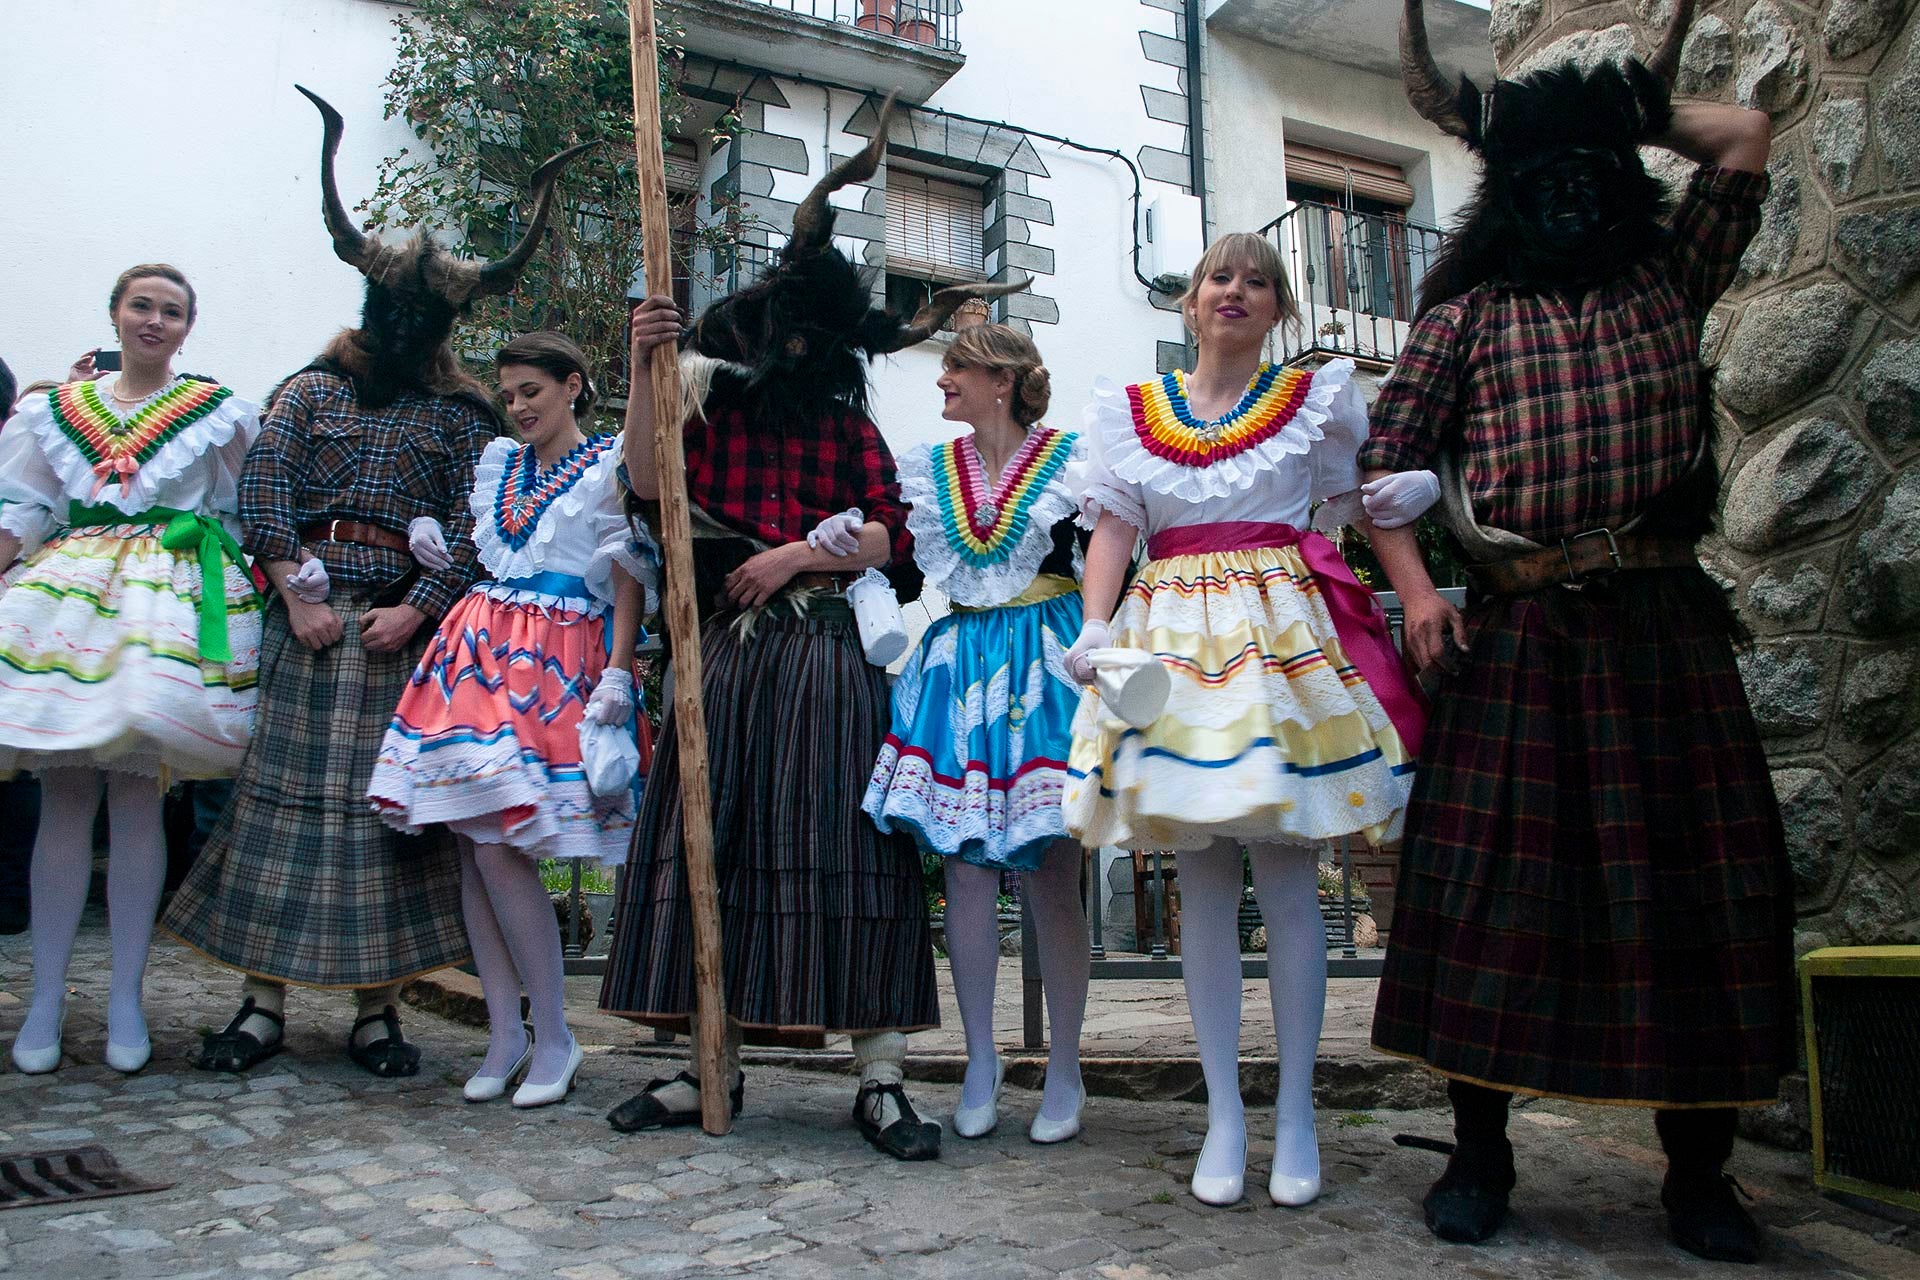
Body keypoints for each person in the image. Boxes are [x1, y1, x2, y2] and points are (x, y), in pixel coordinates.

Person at [1367, 3, 1790, 1265]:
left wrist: (1623, 111)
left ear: (1619, 183)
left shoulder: (1674, 276)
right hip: (1520, 629)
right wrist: (1422, 592)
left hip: (1663, 624)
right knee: (1495, 895)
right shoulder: (1464, 319)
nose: (1565, 195)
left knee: (1696, 894)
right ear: (1507, 195)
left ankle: (1700, 1175)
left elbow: (1745, 133)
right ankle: (1480, 1154)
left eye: (1587, 173)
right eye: (1538, 175)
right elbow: (1384, 473)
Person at [599, 104, 1024, 1159]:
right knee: (713, 842)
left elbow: (892, 537)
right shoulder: (709, 407)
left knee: (846, 846)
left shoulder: (849, 428)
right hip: (727, 654)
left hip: (831, 653)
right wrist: (644, 365)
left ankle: (880, 1078)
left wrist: (796, 556)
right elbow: (645, 484)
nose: (799, 349)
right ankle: (706, 1064)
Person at [162, 87, 590, 1076]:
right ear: (370, 307)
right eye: (393, 310)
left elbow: (483, 532)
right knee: (275, 816)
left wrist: (419, 609)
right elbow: (263, 488)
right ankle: (260, 1004)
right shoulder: (309, 389)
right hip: (305, 627)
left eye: (421, 316)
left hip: (404, 641)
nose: (404, 328)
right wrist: (293, 589)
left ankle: (377, 1012)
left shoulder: (462, 413)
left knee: (386, 827)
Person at [1063, 232, 1437, 1207]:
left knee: (1288, 880)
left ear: (1278, 309)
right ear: (1191, 302)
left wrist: (1416, 502)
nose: (1236, 289)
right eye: (1219, 276)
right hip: (1172, 649)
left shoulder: (1315, 402)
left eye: (1259, 280)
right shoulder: (1131, 412)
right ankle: (1225, 1112)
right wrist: (1096, 624)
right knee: (1202, 880)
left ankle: (1297, 1113)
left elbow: (1358, 505)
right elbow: (1114, 526)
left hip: (1278, 646)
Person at [368, 332, 658, 1107]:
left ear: (572, 385)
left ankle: (554, 1034)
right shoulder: (501, 466)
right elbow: (495, 558)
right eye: (510, 395)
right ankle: (506, 1033)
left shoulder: (607, 463)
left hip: (556, 658)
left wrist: (618, 671)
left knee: (500, 844)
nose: (520, 407)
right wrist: (435, 546)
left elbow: (627, 571)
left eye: (532, 390)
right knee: (472, 845)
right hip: (477, 651)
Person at [0, 264, 263, 1073]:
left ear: (188, 327)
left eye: (171, 311)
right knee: (65, 797)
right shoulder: (54, 410)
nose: (154, 320)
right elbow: (24, 508)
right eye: (141, 305)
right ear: (115, 314)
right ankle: (46, 1000)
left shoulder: (218, 412)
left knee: (137, 797)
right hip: (71, 598)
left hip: (162, 605)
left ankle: (125, 998)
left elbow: (236, 510)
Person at [859, 323, 1092, 1142]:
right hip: (961, 666)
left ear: (1004, 380)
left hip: (1050, 664)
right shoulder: (929, 471)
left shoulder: (1075, 463)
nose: (942, 378)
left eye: (957, 366)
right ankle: (980, 1059)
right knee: (963, 871)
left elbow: (1109, 564)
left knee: (1054, 870)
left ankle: (1065, 1067)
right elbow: (900, 568)